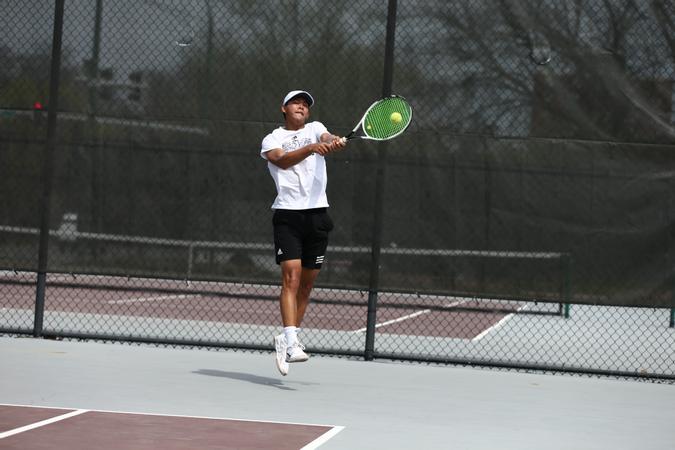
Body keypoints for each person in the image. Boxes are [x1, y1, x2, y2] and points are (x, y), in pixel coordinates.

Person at [260, 90, 346, 376]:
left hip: (318, 216)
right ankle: (293, 342)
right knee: (292, 279)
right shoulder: (272, 139)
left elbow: (325, 137)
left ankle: (286, 338)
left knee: (307, 286)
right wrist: (310, 149)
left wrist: (331, 142)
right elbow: (281, 161)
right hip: (287, 216)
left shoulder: (315, 128)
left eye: (306, 104)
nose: (302, 106)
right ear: (283, 108)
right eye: (296, 102)